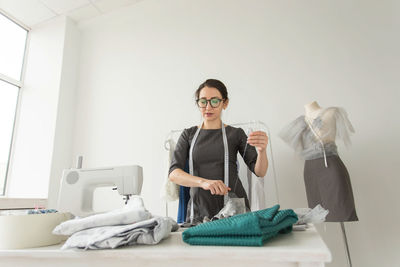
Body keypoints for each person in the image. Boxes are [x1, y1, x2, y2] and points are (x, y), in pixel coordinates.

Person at [168, 79, 269, 224]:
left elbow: (260, 171)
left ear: (225, 103)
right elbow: (174, 174)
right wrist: (204, 183)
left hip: (234, 210)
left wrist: (262, 151)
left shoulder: (236, 134)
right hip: (199, 210)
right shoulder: (188, 135)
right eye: (203, 101)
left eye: (214, 101)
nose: (208, 107)